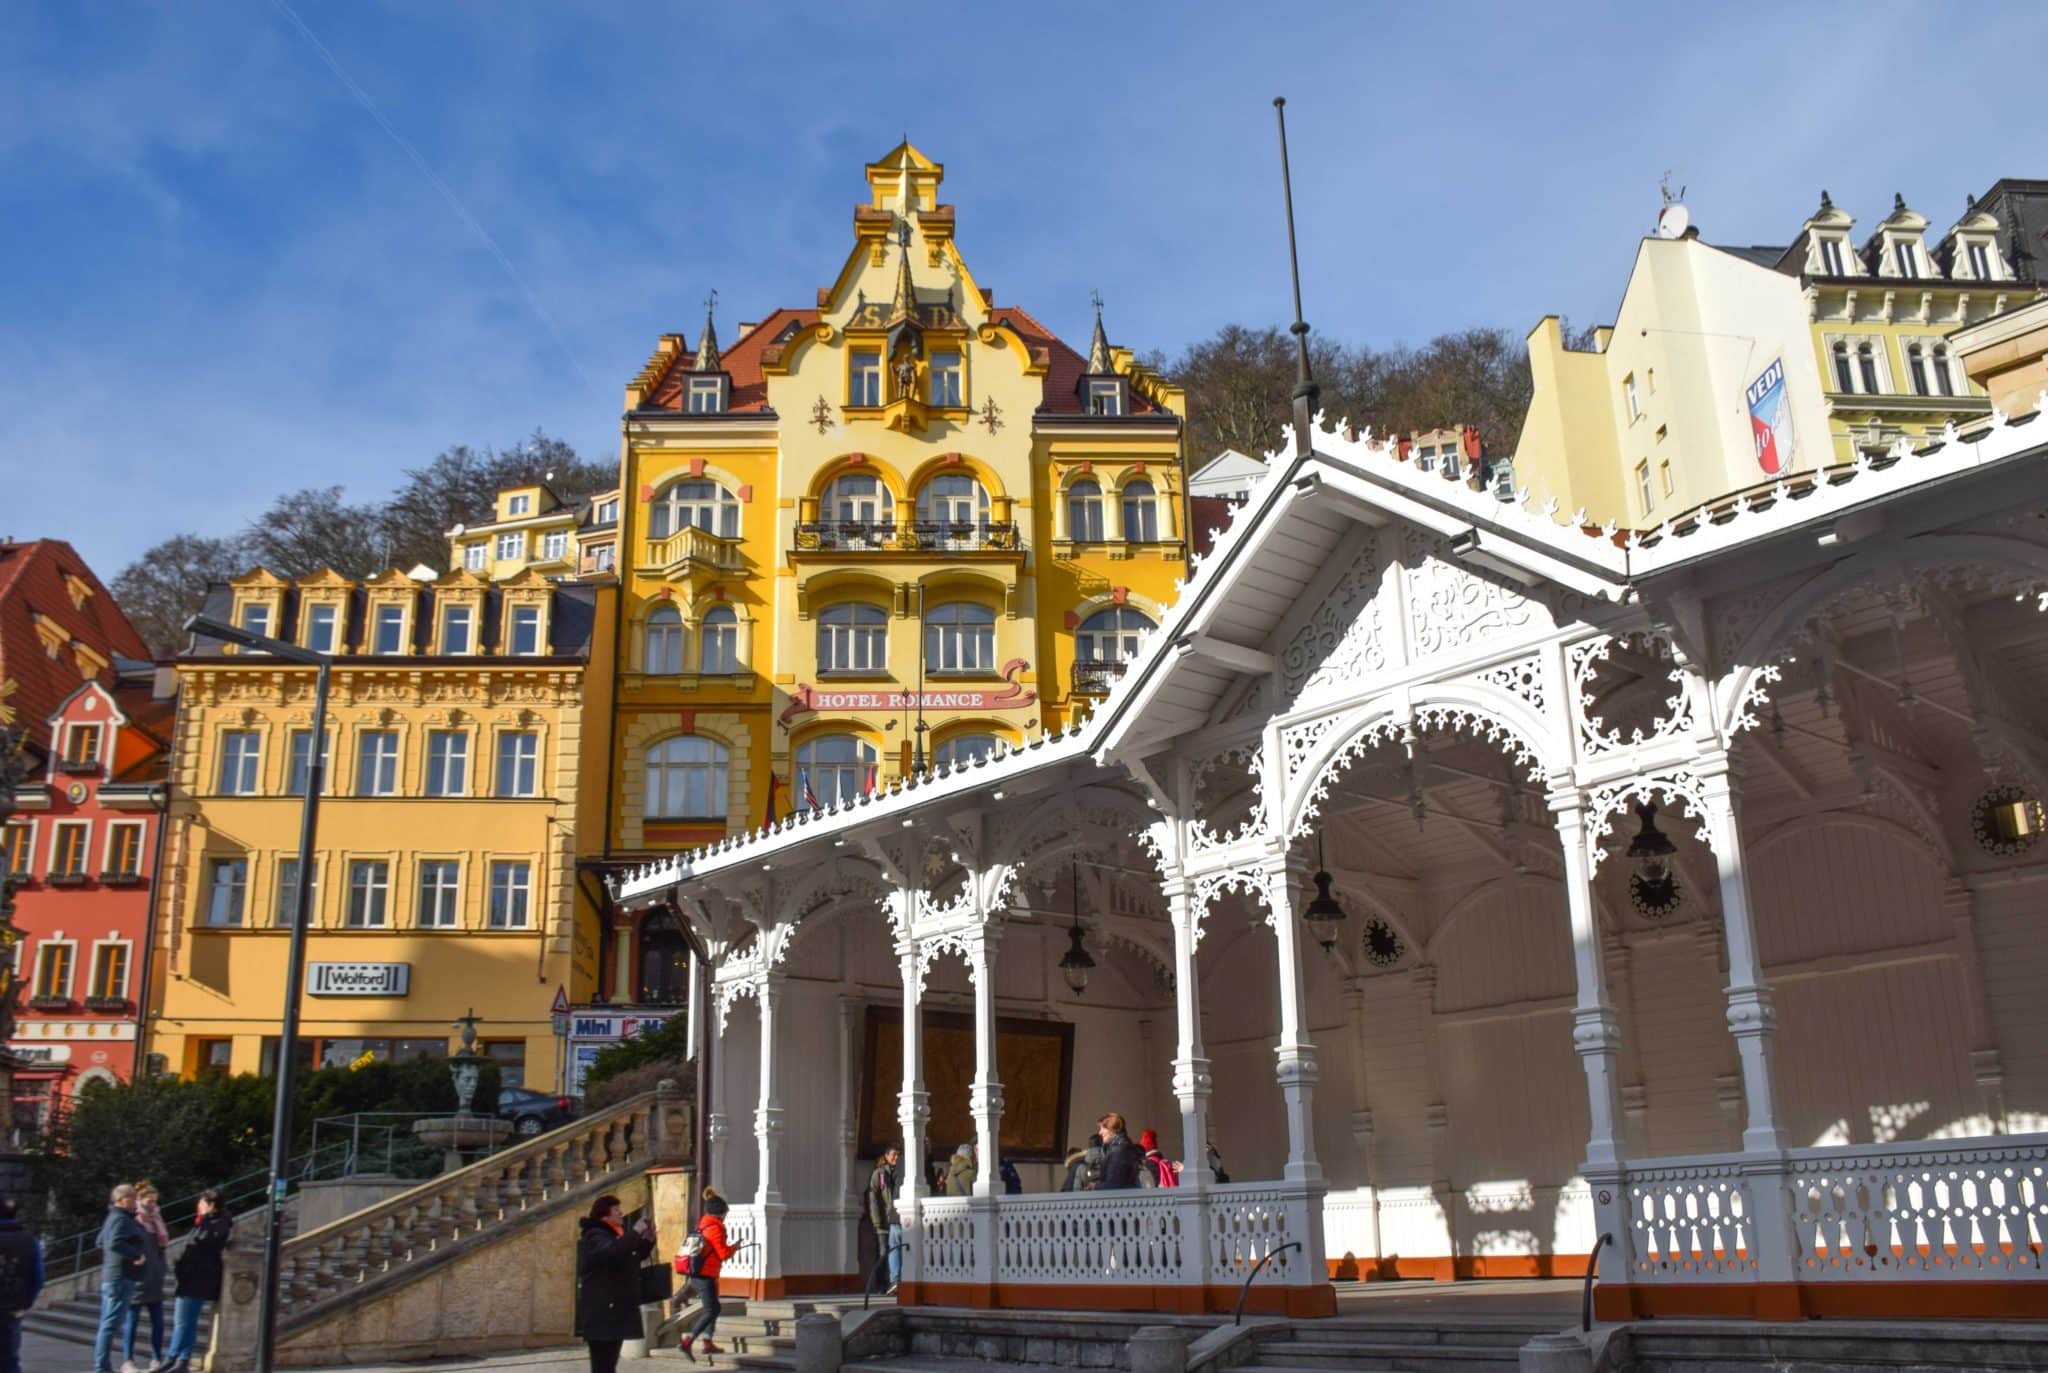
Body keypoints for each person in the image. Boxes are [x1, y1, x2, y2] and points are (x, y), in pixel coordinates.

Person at [575, 1194, 654, 1373]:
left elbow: (631, 1255)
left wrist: (647, 1239)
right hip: (601, 1312)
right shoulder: (595, 1235)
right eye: (616, 1210)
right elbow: (612, 1252)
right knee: (602, 1364)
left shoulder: (615, 1234)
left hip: (614, 1311)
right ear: (605, 1215)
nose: (621, 1213)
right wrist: (634, 1232)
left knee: (609, 1364)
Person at [162, 1190, 232, 1373]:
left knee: (184, 1321)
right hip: (189, 1277)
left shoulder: (218, 1223)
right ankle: (178, 1359)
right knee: (184, 1321)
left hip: (198, 1277)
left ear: (211, 1204)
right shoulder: (204, 1222)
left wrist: (205, 1218)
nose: (198, 1206)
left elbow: (206, 1241)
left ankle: (176, 1358)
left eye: (201, 1203)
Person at [677, 1187, 739, 1364]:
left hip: (697, 1275)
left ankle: (707, 1341)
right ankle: (688, 1341)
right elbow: (724, 1254)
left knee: (712, 1308)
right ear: (720, 1214)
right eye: (725, 1213)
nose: (725, 1216)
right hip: (705, 1276)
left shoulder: (703, 1225)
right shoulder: (715, 1229)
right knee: (713, 1309)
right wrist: (734, 1247)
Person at [93, 1184, 147, 1373]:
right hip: (120, 1277)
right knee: (110, 1325)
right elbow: (114, 1242)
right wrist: (135, 1255)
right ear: (121, 1200)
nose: (135, 1201)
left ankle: (102, 1366)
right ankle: (102, 1367)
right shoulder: (120, 1219)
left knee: (108, 1323)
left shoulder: (114, 1218)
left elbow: (100, 1242)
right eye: (132, 1198)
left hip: (114, 1275)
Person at [122, 1181, 169, 1373]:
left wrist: (162, 1268)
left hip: (155, 1276)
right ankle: (128, 1359)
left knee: (158, 1321)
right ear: (139, 1200)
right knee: (132, 1321)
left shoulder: (157, 1221)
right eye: (149, 1201)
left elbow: (162, 1248)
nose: (152, 1205)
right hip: (138, 1277)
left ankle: (157, 1358)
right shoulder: (134, 1221)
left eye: (155, 1201)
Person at [0, 1198, 44, 1373]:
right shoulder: (30, 1241)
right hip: (12, 1310)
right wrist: (25, 1304)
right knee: (9, 1360)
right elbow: (38, 1278)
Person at [864, 1146, 903, 1292]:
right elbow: (873, 1197)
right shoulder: (879, 1174)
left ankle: (892, 1283)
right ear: (886, 1156)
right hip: (882, 1220)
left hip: (894, 1218)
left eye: (898, 1155)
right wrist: (876, 1219)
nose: (896, 1158)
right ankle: (880, 1284)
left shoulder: (899, 1173)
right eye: (893, 1155)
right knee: (882, 1252)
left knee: (894, 1251)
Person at [1096, 1113, 1145, 1190]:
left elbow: (1113, 1185)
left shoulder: (1119, 1151)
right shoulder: (1115, 1148)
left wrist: (1095, 1186)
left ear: (1112, 1129)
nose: (1100, 1132)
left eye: (1103, 1128)